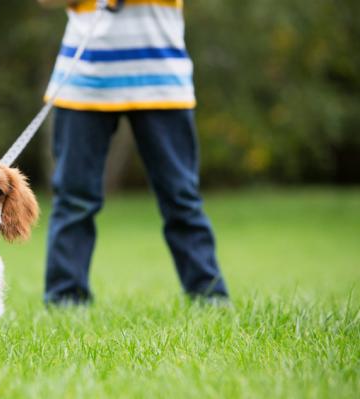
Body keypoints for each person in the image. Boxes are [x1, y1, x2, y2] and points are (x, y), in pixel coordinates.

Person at [38, 0, 229, 305]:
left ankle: (210, 297)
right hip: (83, 82)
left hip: (163, 82)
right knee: (73, 199)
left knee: (181, 198)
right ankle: (65, 300)